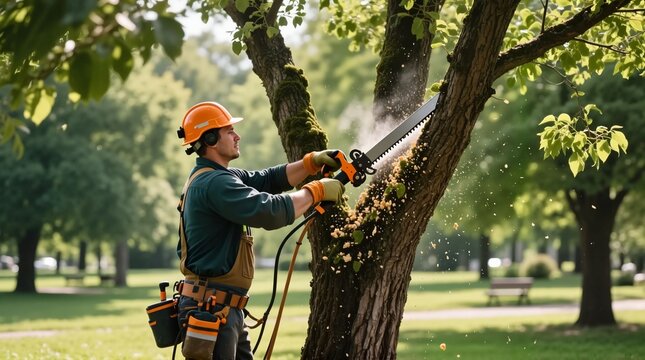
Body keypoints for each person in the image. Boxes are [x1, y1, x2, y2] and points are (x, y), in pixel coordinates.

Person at [175, 101, 345, 359]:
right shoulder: (215, 184)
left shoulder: (216, 176)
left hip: (222, 306)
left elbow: (267, 179)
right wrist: (315, 191)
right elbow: (269, 211)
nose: (237, 135)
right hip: (213, 308)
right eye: (228, 130)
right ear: (209, 139)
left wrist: (310, 163)